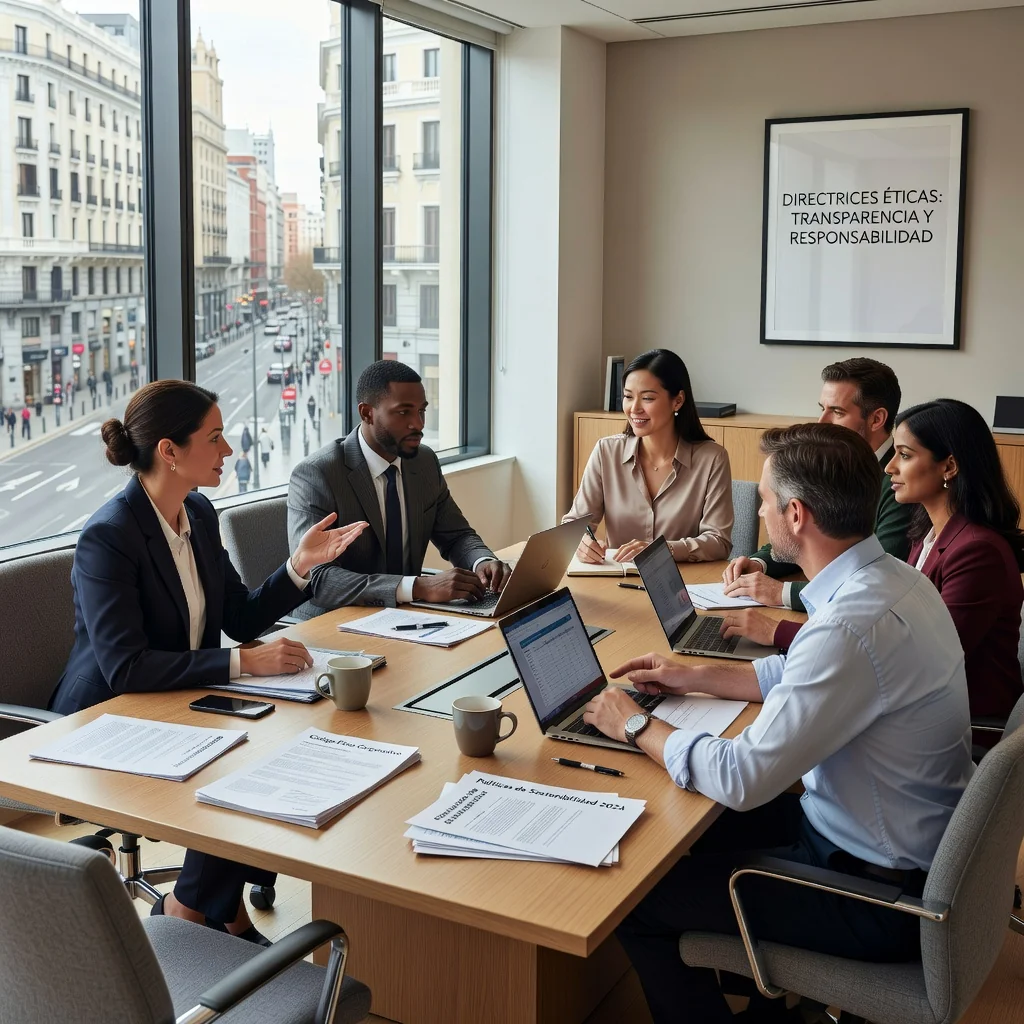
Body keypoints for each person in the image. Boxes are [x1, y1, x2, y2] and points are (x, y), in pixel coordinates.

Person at [582, 423, 974, 1024]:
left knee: (636, 901)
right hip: (884, 841)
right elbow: (801, 671)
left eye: (764, 501)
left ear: (796, 514)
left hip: (873, 893)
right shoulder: (893, 581)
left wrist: (633, 725)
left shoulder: (850, 628)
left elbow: (743, 778)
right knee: (671, 830)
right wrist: (692, 677)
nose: (759, 513)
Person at [49, 379, 368, 944]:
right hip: (109, 714)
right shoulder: (109, 536)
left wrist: (299, 566)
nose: (228, 452)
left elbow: (240, 617)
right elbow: (126, 667)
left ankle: (211, 908)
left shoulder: (197, 510)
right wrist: (242, 666)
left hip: (177, 699)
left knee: (280, 747)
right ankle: (195, 909)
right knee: (242, 768)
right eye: (215, 438)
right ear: (169, 451)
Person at [288, 359, 507, 615]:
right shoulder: (318, 474)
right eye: (404, 412)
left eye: (422, 411)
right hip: (335, 623)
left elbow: (457, 536)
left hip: (405, 615)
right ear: (367, 413)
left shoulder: (423, 462)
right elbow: (319, 579)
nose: (418, 423)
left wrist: (483, 561)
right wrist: (416, 587)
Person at [721, 357, 913, 648]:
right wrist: (760, 563)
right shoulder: (838, 466)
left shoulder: (899, 481)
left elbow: (875, 569)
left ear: (876, 419)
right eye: (822, 409)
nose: (822, 422)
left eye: (836, 412)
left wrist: (781, 593)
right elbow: (799, 524)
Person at [886, 398, 1024, 738]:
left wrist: (784, 634)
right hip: (920, 706)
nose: (890, 466)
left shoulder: (977, 551)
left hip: (965, 727)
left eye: (904, 455)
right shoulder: (928, 532)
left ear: (949, 467)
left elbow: (928, 656)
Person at [563, 349, 733, 564]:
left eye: (647, 398)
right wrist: (582, 541)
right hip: (616, 581)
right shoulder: (606, 452)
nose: (634, 408)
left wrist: (663, 549)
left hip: (681, 583)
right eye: (627, 397)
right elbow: (574, 525)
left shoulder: (712, 459)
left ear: (678, 401)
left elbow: (719, 541)